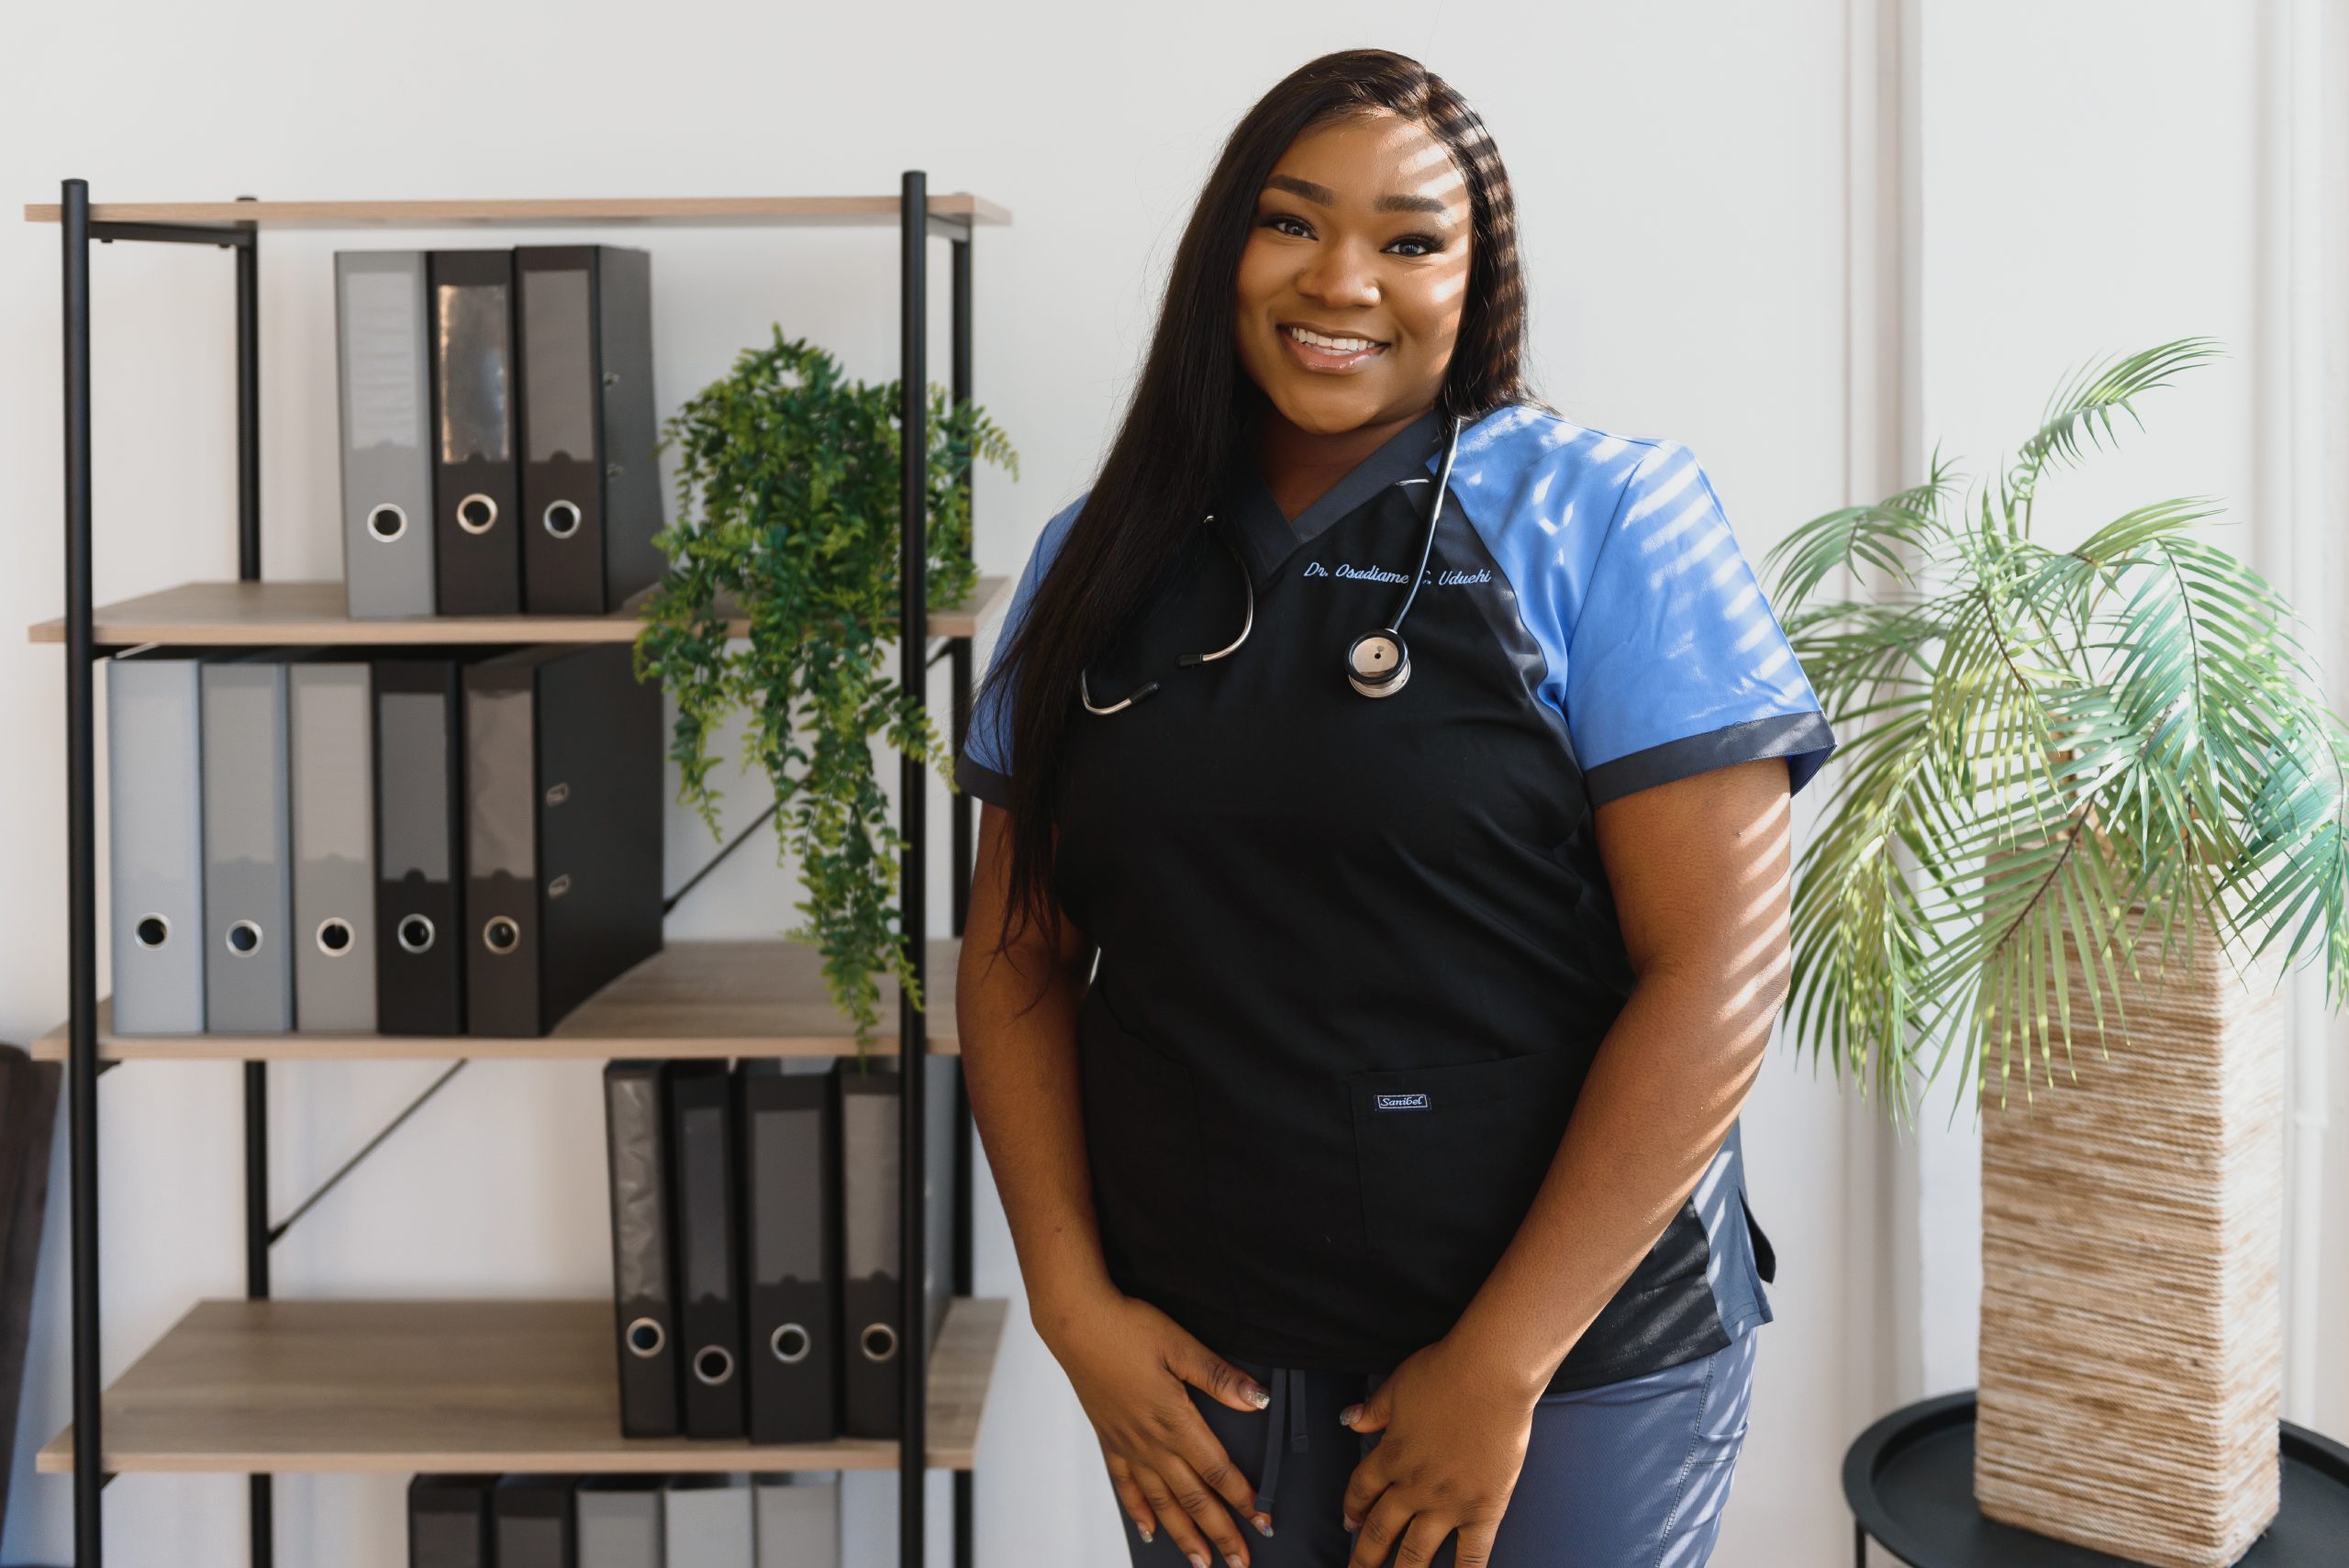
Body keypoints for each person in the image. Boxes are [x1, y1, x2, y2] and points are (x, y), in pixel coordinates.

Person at [952, 47, 1836, 1568]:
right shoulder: (1093, 557)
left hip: (1566, 1363)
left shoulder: (1610, 518)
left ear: (1474, 280)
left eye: (1411, 239)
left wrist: (1499, 1365)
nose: (1342, 278)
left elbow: (1720, 972)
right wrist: (1072, 1305)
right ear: (1224, 247)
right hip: (1195, 1359)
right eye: (1292, 222)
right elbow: (1018, 946)